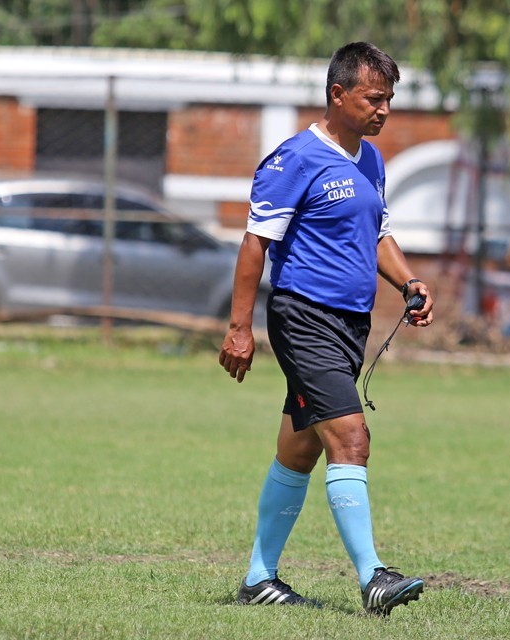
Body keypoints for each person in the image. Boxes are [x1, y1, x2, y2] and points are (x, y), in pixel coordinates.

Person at [218, 42, 434, 616]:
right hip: (303, 318)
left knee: (299, 450)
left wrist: (408, 283)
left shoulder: (370, 160)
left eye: (389, 98)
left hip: (349, 327)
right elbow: (254, 243)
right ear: (337, 95)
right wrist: (240, 328)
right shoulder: (294, 160)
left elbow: (378, 234)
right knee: (351, 440)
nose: (383, 109)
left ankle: (259, 578)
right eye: (372, 97)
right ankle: (373, 578)